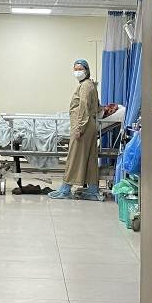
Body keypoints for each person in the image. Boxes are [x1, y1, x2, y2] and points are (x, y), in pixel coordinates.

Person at [49, 59, 100, 201]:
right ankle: (93, 190)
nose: (77, 71)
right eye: (75, 69)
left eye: (80, 69)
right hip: (89, 125)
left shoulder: (85, 86)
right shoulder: (90, 84)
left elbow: (83, 106)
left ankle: (65, 189)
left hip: (83, 126)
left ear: (86, 70)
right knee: (90, 159)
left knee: (74, 157)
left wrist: (79, 128)